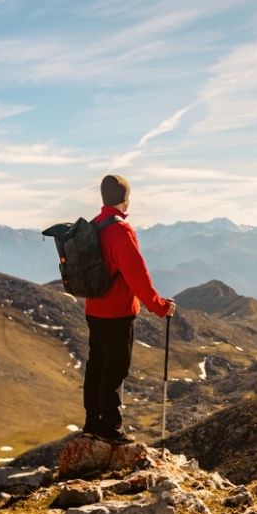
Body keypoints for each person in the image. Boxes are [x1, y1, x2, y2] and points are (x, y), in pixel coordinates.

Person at [83, 173, 176, 444]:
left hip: (93, 309)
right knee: (115, 369)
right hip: (117, 312)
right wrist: (159, 306)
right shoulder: (120, 230)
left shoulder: (93, 226)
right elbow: (137, 276)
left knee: (97, 366)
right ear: (126, 198)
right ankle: (110, 429)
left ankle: (91, 424)